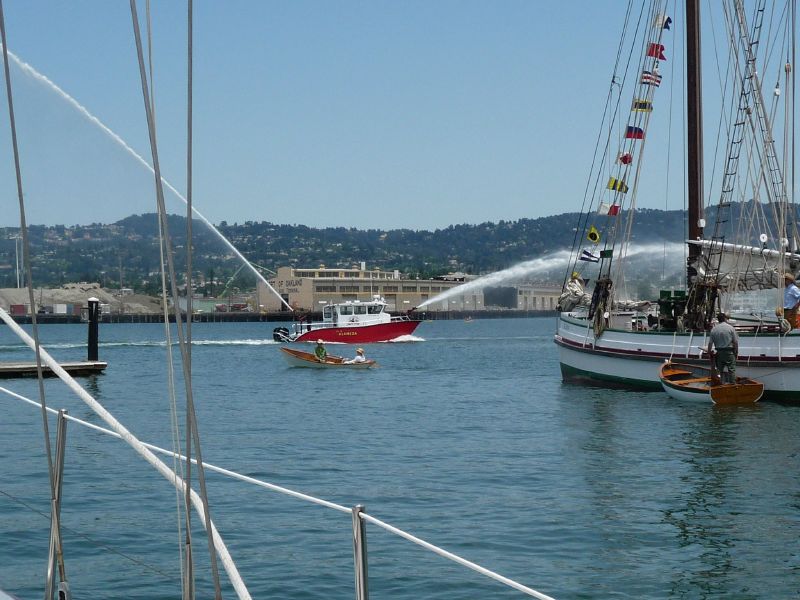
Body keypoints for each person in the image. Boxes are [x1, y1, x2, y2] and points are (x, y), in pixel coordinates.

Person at [707, 313, 739, 384]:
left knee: (719, 370)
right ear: (725, 318)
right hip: (729, 352)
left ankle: (720, 384)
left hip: (719, 352)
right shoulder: (730, 328)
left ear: (718, 320)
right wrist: (736, 352)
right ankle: (732, 384)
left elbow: (710, 343)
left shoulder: (714, 329)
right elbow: (735, 342)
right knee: (731, 369)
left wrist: (709, 353)